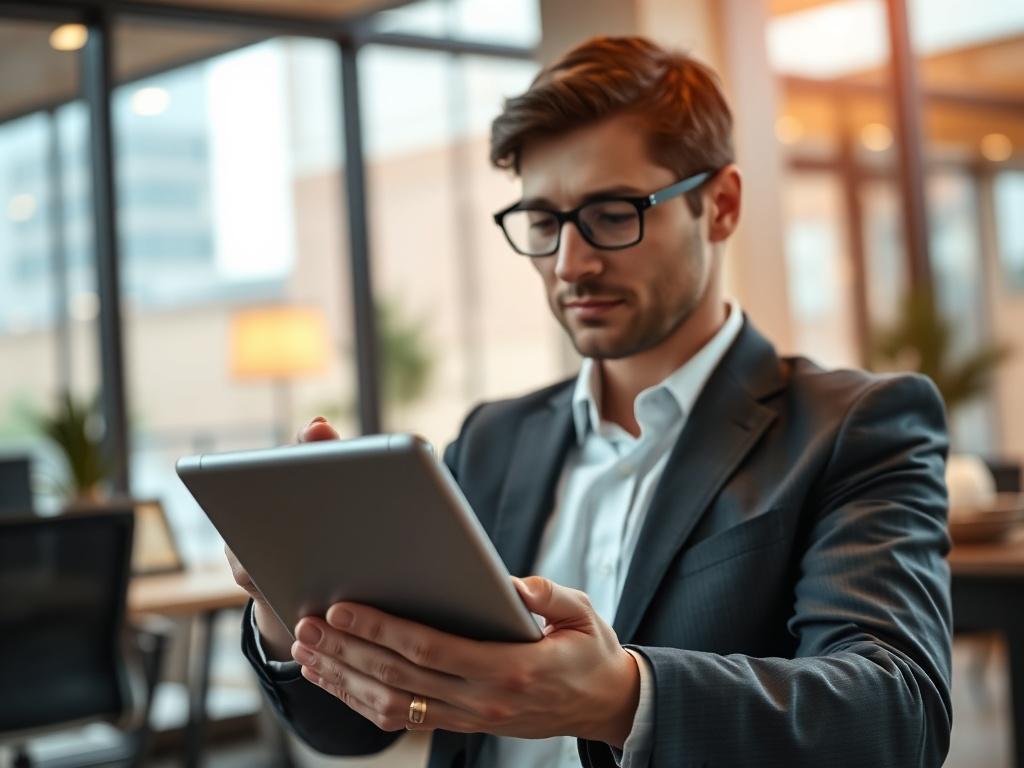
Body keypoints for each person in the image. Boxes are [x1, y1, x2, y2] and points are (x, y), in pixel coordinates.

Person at [230, 36, 951, 768]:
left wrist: (621, 699)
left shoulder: (852, 427)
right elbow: (360, 727)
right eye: (543, 222)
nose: (570, 263)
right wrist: (291, 613)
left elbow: (896, 715)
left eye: (612, 212)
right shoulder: (492, 440)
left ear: (721, 205)